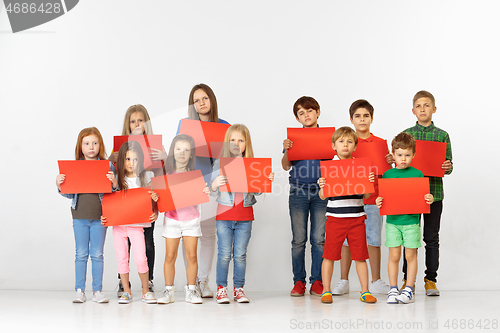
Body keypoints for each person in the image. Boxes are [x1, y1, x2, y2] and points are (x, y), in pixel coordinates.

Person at [173, 84, 230, 298]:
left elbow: (231, 157)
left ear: (211, 100)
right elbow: (177, 152)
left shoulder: (224, 126)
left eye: (205, 98)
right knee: (187, 232)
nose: (201, 103)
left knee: (207, 234)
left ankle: (203, 281)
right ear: (193, 105)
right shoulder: (186, 125)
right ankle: (190, 281)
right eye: (196, 100)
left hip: (212, 185)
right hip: (188, 182)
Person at [331, 100, 391, 296]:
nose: (362, 119)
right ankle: (343, 280)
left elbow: (386, 172)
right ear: (351, 119)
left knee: (373, 239)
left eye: (366, 115)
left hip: (373, 198)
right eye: (357, 116)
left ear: (372, 119)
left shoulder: (381, 143)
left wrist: (390, 162)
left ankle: (375, 280)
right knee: (347, 241)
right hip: (350, 200)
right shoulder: (346, 141)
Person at [210, 124, 274, 304]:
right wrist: (214, 184)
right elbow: (213, 192)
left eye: (240, 140)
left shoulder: (252, 165)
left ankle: (239, 289)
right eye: (232, 140)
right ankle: (221, 289)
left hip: (245, 217)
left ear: (246, 143)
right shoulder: (219, 163)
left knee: (240, 255)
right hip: (224, 216)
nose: (236, 144)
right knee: (224, 254)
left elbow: (258, 192)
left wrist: (265, 181)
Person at [56, 127, 117, 303]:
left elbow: (114, 192)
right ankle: (80, 290)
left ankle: (97, 291)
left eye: (95, 143)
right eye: (87, 143)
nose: (91, 147)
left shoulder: (107, 165)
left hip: (100, 217)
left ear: (100, 145)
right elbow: (69, 193)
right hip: (79, 217)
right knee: (81, 254)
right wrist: (60, 184)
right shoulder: (75, 167)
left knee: (97, 254)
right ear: (80, 146)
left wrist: (113, 182)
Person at [317, 127, 377, 304]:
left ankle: (365, 291)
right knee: (329, 255)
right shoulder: (329, 167)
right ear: (333, 146)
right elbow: (323, 196)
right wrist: (322, 186)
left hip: (357, 218)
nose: (345, 145)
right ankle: (326, 290)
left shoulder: (360, 167)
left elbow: (366, 196)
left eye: (350, 141)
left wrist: (369, 183)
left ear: (355, 146)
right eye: (341, 141)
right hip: (335, 219)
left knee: (360, 256)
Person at [402, 90, 453, 296]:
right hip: (411, 194)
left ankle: (430, 279)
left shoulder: (442, 135)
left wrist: (447, 165)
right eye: (418, 106)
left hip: (434, 194)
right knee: (409, 238)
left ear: (434, 109)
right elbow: (400, 161)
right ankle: (408, 279)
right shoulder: (406, 135)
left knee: (431, 238)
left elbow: (448, 166)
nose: (422, 109)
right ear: (413, 110)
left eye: (426, 105)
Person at [111, 104, 164, 297]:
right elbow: (111, 172)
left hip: (145, 205)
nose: (136, 124)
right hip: (124, 209)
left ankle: (147, 281)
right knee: (123, 247)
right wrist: (115, 157)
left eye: (140, 120)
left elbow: (161, 176)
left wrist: (164, 157)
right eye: (132, 121)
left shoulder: (154, 145)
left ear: (146, 122)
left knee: (147, 244)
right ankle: (123, 282)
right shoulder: (120, 147)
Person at [376, 132, 434, 304]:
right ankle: (393, 289)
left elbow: (423, 197)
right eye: (399, 155)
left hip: (411, 223)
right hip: (393, 223)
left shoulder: (418, 174)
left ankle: (408, 288)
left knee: (410, 255)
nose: (403, 159)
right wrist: (379, 200)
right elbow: (384, 198)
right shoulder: (387, 175)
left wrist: (428, 198)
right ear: (393, 155)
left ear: (413, 155)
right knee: (393, 256)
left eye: (407, 155)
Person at [101, 141, 159, 304]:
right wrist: (104, 216)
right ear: (122, 161)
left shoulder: (145, 179)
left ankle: (146, 290)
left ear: (140, 160)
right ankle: (126, 291)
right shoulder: (118, 179)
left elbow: (152, 201)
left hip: (136, 225)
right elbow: (108, 199)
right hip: (119, 226)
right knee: (122, 258)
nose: (131, 163)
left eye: (134, 159)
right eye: (127, 159)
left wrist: (155, 211)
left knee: (141, 258)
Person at [282, 96, 327, 297]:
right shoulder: (294, 139)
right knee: (298, 239)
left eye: (309, 110)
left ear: (317, 112)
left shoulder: (327, 136)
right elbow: (285, 166)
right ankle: (298, 281)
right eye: (301, 113)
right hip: (298, 190)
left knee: (318, 239)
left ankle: (317, 280)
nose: (306, 115)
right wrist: (287, 150)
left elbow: (336, 162)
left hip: (321, 191)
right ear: (297, 119)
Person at [157, 134, 210, 305]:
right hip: (172, 219)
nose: (182, 153)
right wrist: (155, 195)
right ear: (172, 151)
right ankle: (168, 291)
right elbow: (160, 196)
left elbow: (199, 196)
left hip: (191, 220)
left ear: (191, 154)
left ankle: (191, 290)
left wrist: (205, 192)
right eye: (178, 149)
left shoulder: (195, 175)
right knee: (170, 256)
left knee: (191, 256)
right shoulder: (166, 174)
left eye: (187, 150)